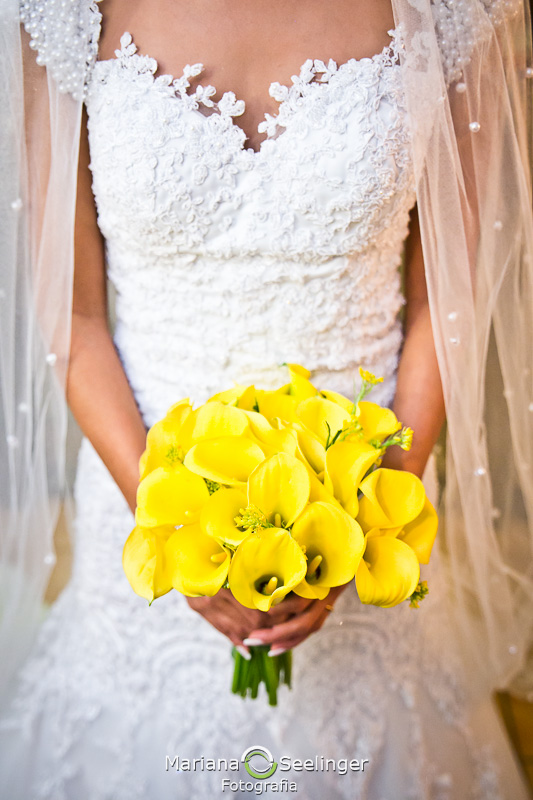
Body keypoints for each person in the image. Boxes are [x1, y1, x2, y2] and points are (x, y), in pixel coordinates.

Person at [0, 0, 532, 798]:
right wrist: (174, 526)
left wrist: (371, 513)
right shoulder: (64, 10)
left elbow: (444, 307)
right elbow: (72, 314)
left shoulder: (456, 8)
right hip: (140, 490)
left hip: (372, 492)